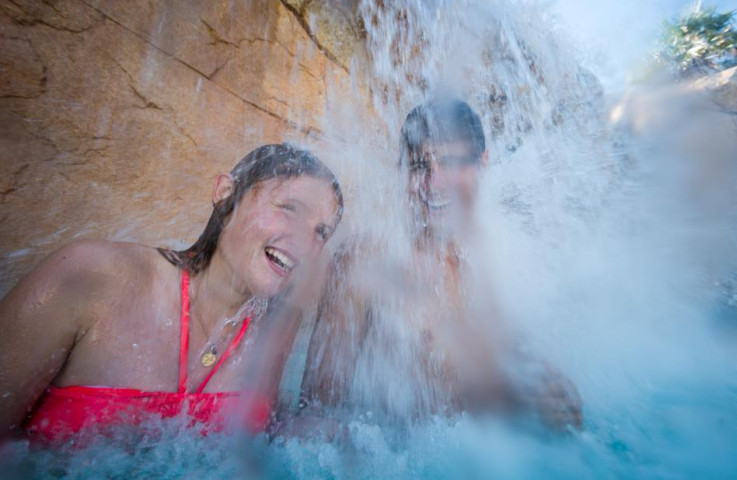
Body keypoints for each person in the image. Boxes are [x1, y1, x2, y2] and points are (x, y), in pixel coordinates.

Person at [0, 144, 343, 442]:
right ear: (226, 192)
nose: (305, 243)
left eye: (321, 232)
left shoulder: (276, 324)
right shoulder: (91, 276)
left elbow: (260, 439)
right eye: (291, 209)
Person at [297, 99, 582, 431]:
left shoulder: (496, 257)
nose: (434, 183)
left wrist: (551, 400)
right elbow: (316, 415)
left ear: (482, 163)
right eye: (420, 166)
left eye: (450, 162)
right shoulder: (364, 260)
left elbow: (513, 369)